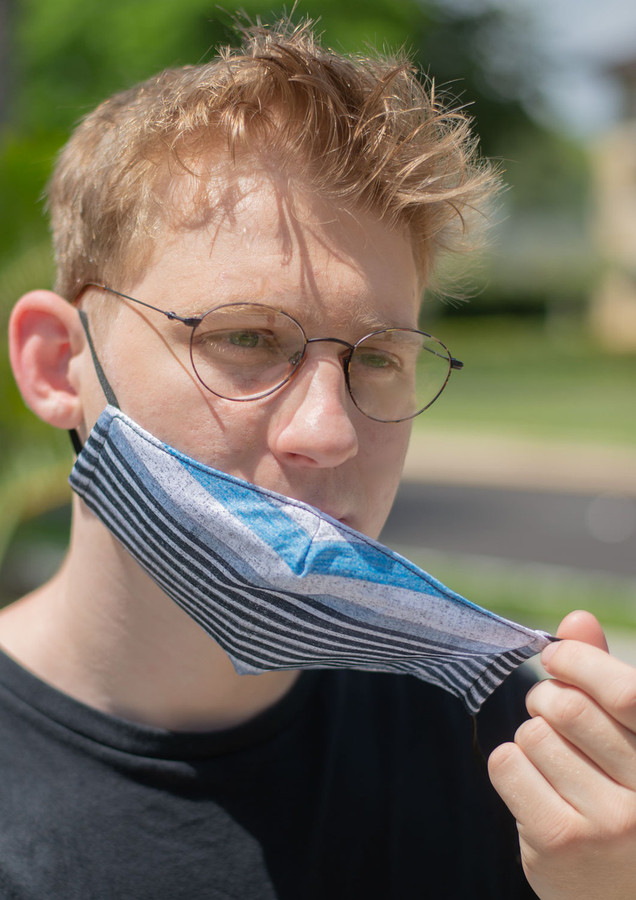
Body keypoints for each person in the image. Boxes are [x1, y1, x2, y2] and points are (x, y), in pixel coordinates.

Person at [2, 17, 635, 900]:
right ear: (55, 364)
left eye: (377, 357)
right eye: (249, 337)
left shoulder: (519, 758)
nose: (329, 432)